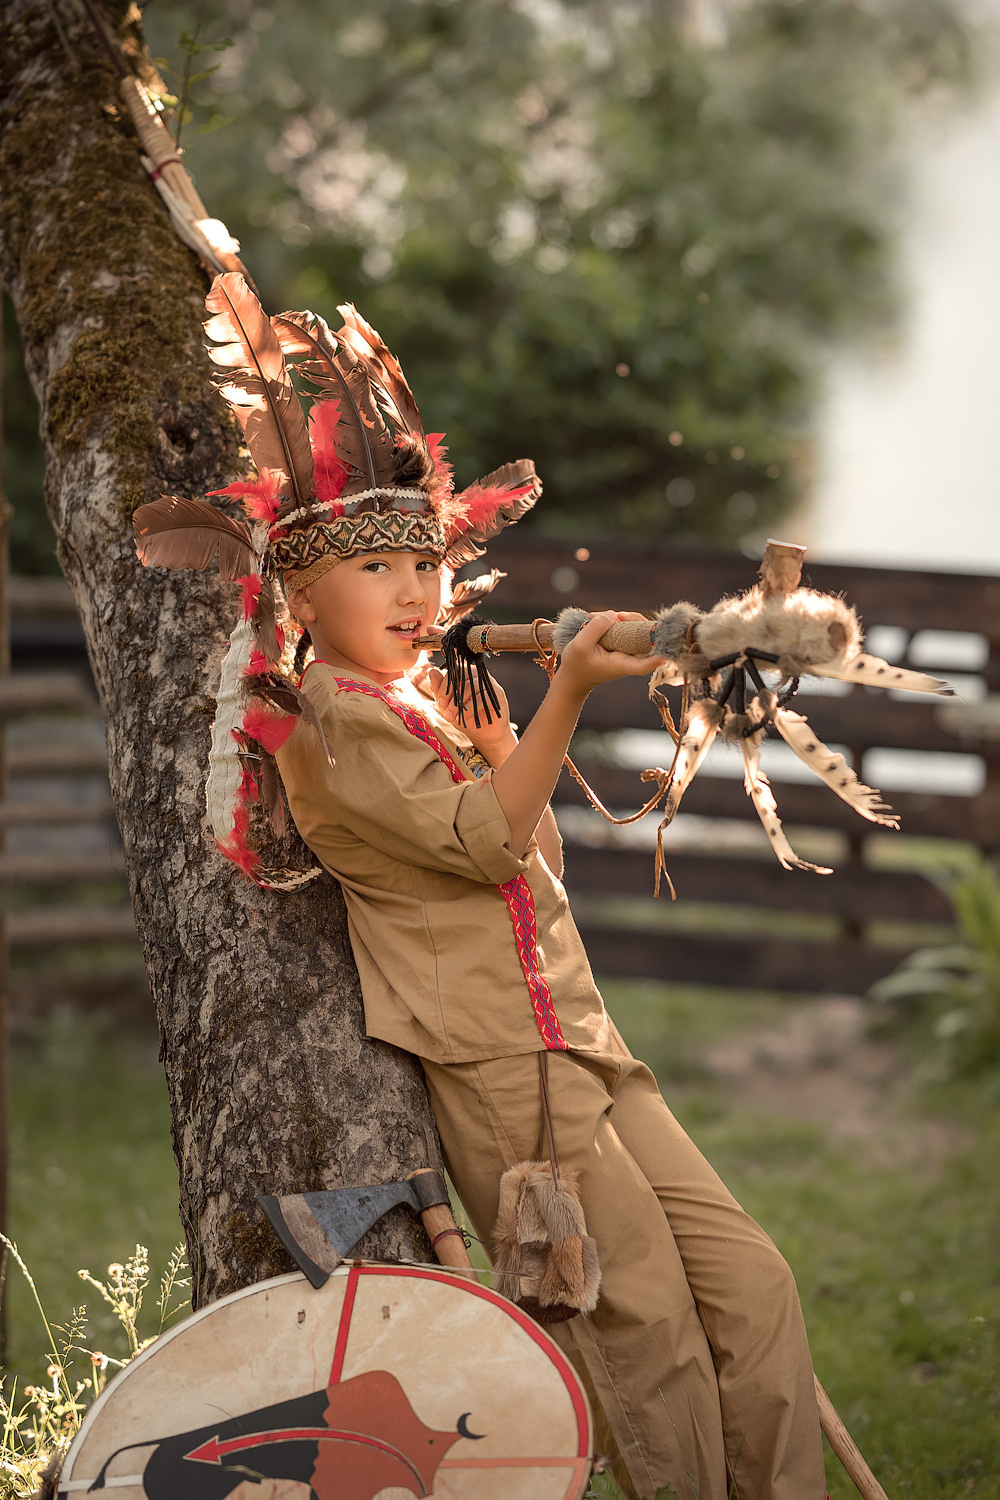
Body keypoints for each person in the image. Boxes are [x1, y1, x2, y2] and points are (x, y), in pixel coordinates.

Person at [138, 281, 827, 1500]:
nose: (415, 594)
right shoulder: (322, 726)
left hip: (582, 1038)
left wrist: (510, 738)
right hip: (507, 1071)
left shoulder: (420, 704)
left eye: (424, 565)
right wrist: (564, 698)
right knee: (646, 1332)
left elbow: (537, 854)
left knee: (754, 1285)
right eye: (380, 571)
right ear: (302, 599)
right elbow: (482, 851)